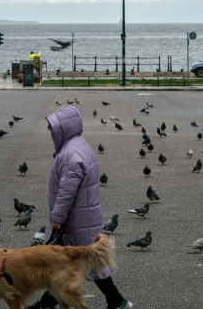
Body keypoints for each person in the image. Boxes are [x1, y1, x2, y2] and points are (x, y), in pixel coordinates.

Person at [28, 105, 132, 309]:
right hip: (83, 218)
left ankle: (118, 302)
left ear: (63, 129)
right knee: (69, 264)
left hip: (75, 221)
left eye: (53, 128)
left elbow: (67, 191)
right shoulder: (78, 146)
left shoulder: (70, 155)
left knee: (81, 263)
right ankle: (49, 302)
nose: (51, 132)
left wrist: (57, 218)